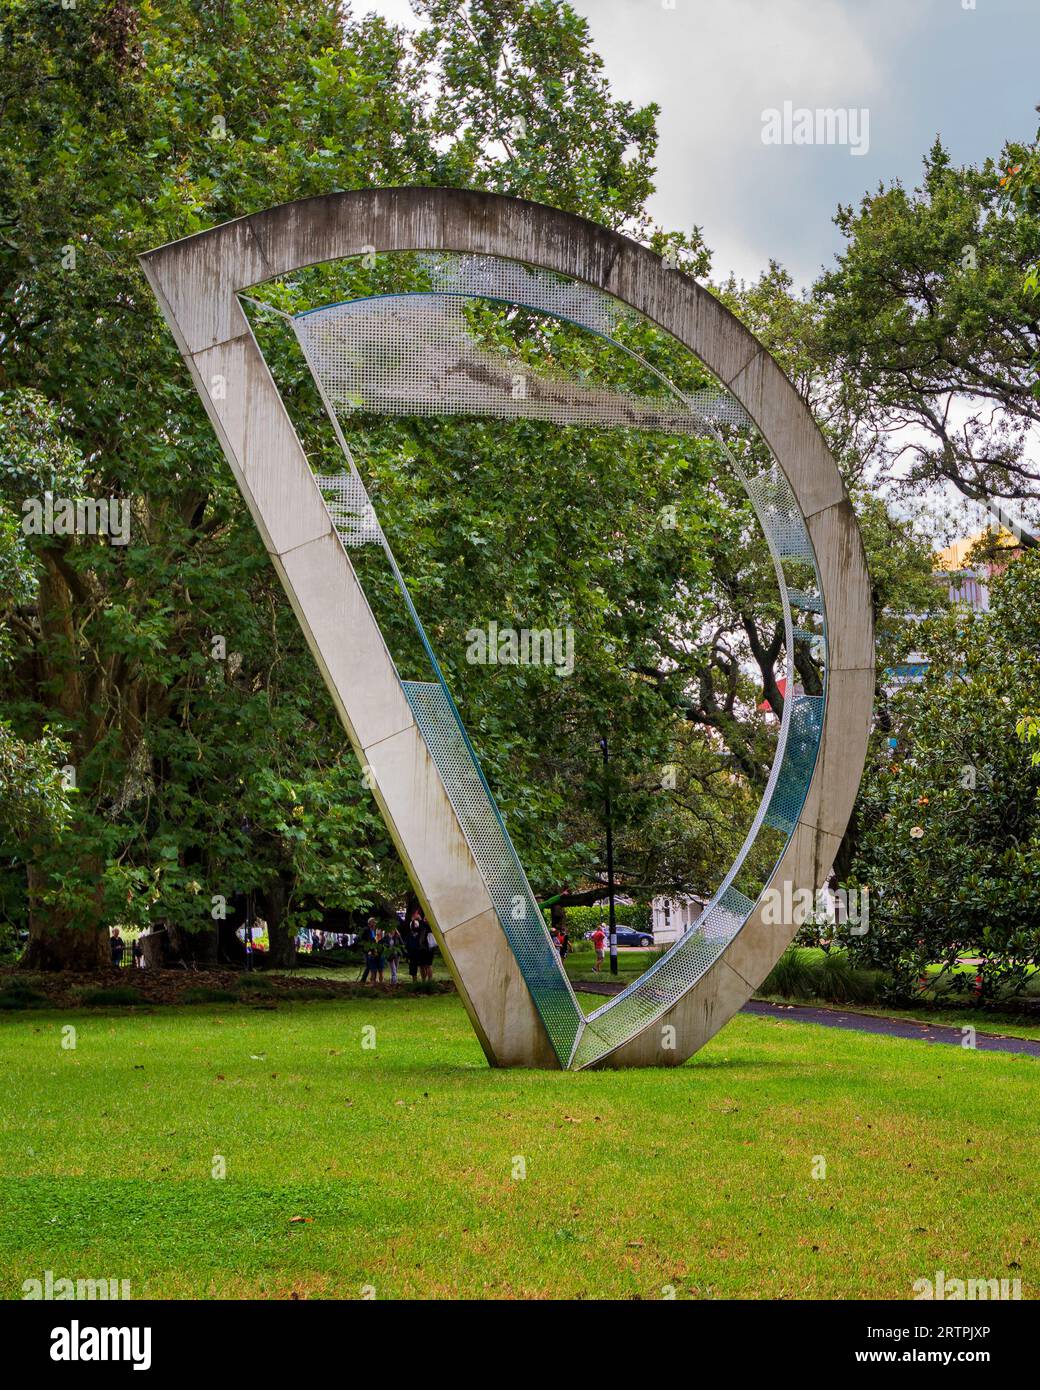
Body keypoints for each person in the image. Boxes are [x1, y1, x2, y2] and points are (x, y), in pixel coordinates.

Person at [405, 909, 423, 982]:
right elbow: (406, 945)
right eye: (413, 925)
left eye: (416, 925)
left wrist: (417, 919)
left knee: (422, 967)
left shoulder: (420, 934)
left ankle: (423, 981)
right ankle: (414, 981)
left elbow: (420, 926)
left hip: (419, 953)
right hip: (412, 954)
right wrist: (407, 955)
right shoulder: (409, 935)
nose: (414, 926)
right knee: (413, 969)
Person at [360, 917, 379, 984]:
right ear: (369, 923)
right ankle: (363, 980)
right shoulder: (366, 930)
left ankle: (372, 979)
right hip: (367, 950)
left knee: (373, 965)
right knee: (368, 965)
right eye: (373, 922)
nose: (374, 924)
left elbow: (374, 940)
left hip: (373, 949)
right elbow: (363, 939)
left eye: (375, 922)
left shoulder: (374, 930)